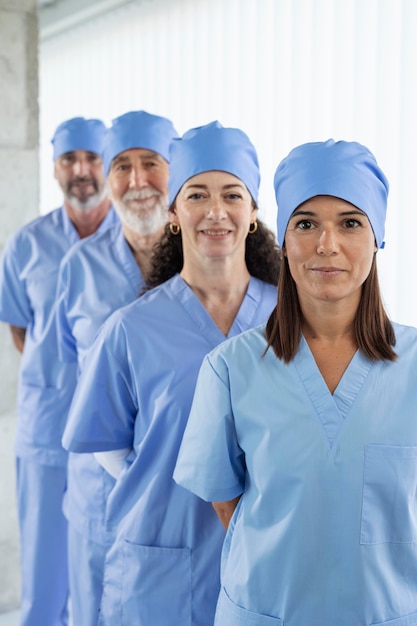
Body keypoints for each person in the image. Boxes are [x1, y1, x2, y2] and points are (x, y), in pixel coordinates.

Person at [173, 138, 417, 625]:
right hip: (266, 613)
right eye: (306, 224)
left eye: (350, 223)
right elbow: (228, 503)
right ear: (283, 240)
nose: (327, 245)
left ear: (378, 237)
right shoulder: (230, 369)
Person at [62, 120, 281, 625]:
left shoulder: (290, 320)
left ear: (252, 213)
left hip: (267, 568)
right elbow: (111, 449)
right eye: (197, 194)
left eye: (232, 194)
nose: (215, 210)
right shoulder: (131, 330)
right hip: (159, 568)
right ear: (175, 213)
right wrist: (169, 485)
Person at [55, 110, 178, 626]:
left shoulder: (206, 259)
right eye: (121, 166)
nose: (136, 180)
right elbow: (70, 365)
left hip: (180, 498)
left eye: (151, 163)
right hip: (96, 502)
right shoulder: (79, 268)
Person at [0, 117, 118, 626]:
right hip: (47, 430)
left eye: (92, 158)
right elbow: (21, 328)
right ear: (54, 169)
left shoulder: (139, 242)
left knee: (106, 577)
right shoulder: (27, 244)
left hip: (113, 438)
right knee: (46, 579)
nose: (82, 170)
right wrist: (54, 379)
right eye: (70, 159)